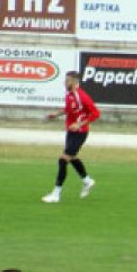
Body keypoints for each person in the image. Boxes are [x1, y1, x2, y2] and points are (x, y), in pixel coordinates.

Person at [42, 71, 100, 203]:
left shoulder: (82, 97)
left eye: (67, 81)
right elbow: (69, 110)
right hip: (71, 131)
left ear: (74, 82)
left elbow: (96, 113)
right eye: (65, 80)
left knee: (63, 160)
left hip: (80, 132)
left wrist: (79, 124)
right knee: (71, 157)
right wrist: (56, 114)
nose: (65, 83)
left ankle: (56, 194)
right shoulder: (69, 95)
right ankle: (87, 181)